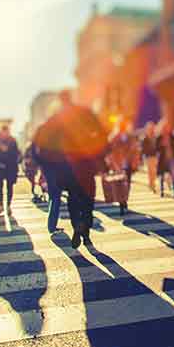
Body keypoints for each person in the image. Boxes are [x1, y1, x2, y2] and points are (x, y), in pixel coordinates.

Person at [46, 90, 107, 248]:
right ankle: (85, 233)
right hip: (85, 164)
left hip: (68, 167)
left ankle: (77, 228)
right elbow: (101, 133)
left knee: (73, 200)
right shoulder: (84, 112)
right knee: (88, 201)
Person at [34, 118, 66, 234]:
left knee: (54, 196)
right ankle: (52, 226)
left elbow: (34, 149)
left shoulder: (41, 130)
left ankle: (52, 225)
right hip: (56, 168)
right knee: (56, 196)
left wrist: (41, 165)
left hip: (49, 168)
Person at [0, 125, 21, 217]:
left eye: (7, 132)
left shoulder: (13, 141)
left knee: (9, 187)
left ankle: (8, 206)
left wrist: (8, 151)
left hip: (10, 167)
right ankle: (0, 205)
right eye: (4, 132)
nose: (5, 134)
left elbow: (16, 154)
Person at [155, 120, 174, 198]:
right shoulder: (159, 137)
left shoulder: (171, 136)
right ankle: (162, 191)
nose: (166, 128)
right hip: (163, 159)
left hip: (171, 158)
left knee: (173, 175)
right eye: (165, 127)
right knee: (162, 176)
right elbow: (156, 148)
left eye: (167, 127)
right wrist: (161, 145)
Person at [141, 123, 159, 193]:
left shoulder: (155, 137)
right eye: (150, 128)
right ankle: (151, 184)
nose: (151, 130)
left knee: (154, 171)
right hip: (148, 156)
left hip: (155, 156)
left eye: (152, 128)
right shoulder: (145, 138)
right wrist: (142, 158)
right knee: (150, 171)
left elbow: (157, 146)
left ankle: (152, 183)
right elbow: (143, 149)